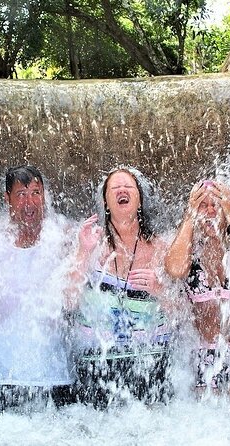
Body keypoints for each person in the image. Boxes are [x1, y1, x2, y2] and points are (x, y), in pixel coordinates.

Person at [69, 167, 175, 407]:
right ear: (106, 202)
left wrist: (160, 289)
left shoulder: (161, 248)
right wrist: (82, 253)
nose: (122, 191)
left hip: (151, 365)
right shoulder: (90, 245)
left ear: (139, 200)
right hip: (98, 366)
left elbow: (183, 313)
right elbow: (67, 300)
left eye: (128, 187)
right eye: (115, 189)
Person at [0, 165, 75, 413]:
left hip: (53, 375)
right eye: (21, 194)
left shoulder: (61, 235)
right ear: (7, 197)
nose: (29, 202)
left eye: (35, 193)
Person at [164, 179, 230, 399]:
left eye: (216, 205)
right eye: (203, 205)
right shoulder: (189, 248)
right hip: (204, 355)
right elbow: (174, 268)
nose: (210, 211)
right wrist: (190, 216)